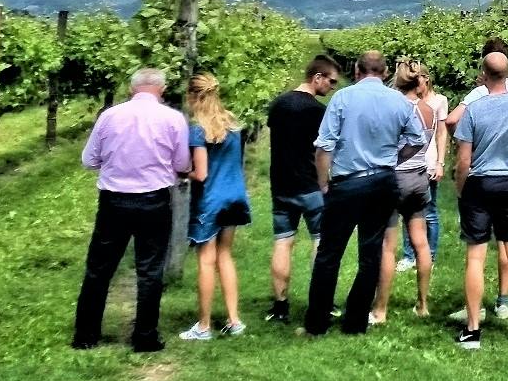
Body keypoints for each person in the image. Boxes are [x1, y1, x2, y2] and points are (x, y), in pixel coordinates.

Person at [303, 50, 425, 337]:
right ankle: (356, 321)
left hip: (348, 181)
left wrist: (324, 182)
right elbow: (418, 139)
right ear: (384, 73)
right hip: (383, 182)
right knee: (370, 253)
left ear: (357, 70)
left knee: (329, 253)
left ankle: (317, 322)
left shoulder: (342, 98)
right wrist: (395, 158)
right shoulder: (399, 101)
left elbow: (325, 146)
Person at [73, 67, 190, 353]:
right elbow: (181, 164)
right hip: (155, 201)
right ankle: (145, 336)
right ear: (161, 90)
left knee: (99, 269)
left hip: (114, 201)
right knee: (150, 270)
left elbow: (89, 160)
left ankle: (86, 336)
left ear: (131, 89)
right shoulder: (174, 119)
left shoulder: (110, 116)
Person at [453, 48, 508, 349]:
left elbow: (464, 160)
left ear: (483, 75)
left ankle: (473, 330)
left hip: (480, 183)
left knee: (475, 257)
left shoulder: (474, 110)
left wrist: (460, 189)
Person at [445, 37, 508, 322]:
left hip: (481, 175)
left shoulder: (480, 93)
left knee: (476, 253)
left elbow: (452, 120)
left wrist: (469, 141)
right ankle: (504, 303)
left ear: (484, 66)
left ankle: (473, 312)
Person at [369, 59, 446, 323]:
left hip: (395, 179)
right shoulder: (429, 109)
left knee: (388, 246)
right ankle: (422, 303)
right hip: (419, 178)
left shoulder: (393, 107)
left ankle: (381, 309)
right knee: (421, 242)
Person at [265, 56, 340, 324]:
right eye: (330, 81)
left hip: (282, 185)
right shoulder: (318, 112)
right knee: (321, 243)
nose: (332, 86)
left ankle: (280, 306)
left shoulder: (279, 104)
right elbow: (325, 148)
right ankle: (321, 303)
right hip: (312, 185)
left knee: (283, 243)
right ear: (317, 77)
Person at [180, 73, 252, 341]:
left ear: (192, 97)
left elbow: (201, 173)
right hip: (235, 196)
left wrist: (180, 172)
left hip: (210, 200)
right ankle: (234, 320)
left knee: (206, 260)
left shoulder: (199, 129)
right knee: (225, 256)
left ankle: (204, 325)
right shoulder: (232, 123)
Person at [397, 63, 448, 273]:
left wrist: (440, 162)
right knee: (407, 211)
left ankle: (430, 254)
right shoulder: (404, 103)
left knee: (430, 211)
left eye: (419, 77)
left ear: (426, 78)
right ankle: (409, 255)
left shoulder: (438, 101)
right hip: (407, 163)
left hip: (428, 161)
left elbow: (442, 133)